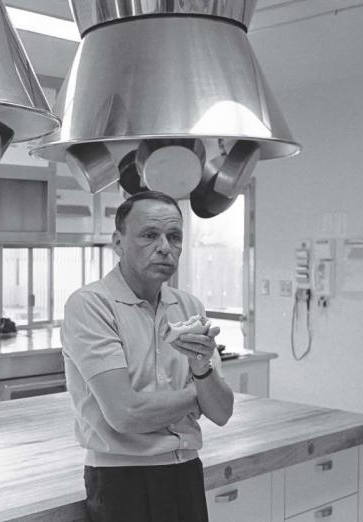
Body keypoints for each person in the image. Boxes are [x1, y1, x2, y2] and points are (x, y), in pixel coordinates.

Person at [61, 190, 235, 522]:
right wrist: (198, 394)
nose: (164, 247)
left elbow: (223, 411)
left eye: (174, 237)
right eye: (149, 235)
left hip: (186, 469)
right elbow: (126, 414)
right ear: (118, 242)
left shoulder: (189, 308)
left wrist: (202, 374)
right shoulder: (91, 305)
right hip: (122, 479)